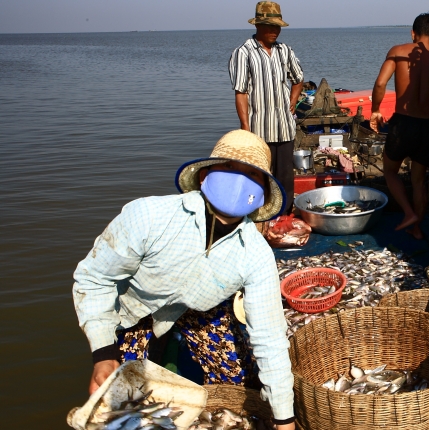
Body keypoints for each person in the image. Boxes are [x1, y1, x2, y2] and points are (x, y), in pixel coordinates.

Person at [72, 130, 295, 429]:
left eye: (252, 174)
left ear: (263, 195)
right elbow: (94, 278)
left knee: (240, 380)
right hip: (134, 312)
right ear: (204, 175)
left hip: (201, 310)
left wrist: (285, 418)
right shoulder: (149, 216)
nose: (239, 180)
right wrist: (102, 354)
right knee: (121, 404)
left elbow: (269, 338)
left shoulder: (255, 255)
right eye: (229, 167)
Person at [370, 13, 429, 239]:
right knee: (418, 180)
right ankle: (417, 229)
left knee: (389, 171)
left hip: (403, 122)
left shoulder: (397, 52)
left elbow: (380, 83)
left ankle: (408, 213)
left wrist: (376, 110)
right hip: (427, 126)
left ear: (413, 33)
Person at [230, 1, 304, 214]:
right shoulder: (243, 52)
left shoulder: (285, 51)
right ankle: (260, 214)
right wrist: (245, 127)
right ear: (258, 26)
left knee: (286, 176)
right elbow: (241, 92)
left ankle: (284, 214)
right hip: (259, 129)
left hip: (285, 127)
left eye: (277, 27)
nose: (275, 31)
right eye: (270, 26)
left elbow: (298, 78)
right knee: (259, 174)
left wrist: (293, 100)